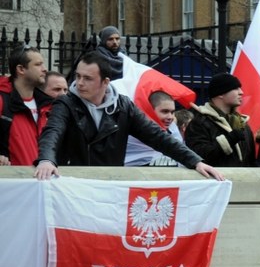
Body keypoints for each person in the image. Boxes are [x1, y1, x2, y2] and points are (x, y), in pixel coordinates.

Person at [33, 51, 223, 181]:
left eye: (88, 78)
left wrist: (195, 161)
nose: (79, 83)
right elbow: (52, 132)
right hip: (73, 184)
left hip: (110, 185)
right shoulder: (65, 103)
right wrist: (47, 160)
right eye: (78, 76)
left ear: (105, 82)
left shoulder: (123, 106)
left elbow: (157, 136)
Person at [185, 73, 256, 167]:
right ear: (220, 93)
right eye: (235, 88)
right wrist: (229, 140)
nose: (241, 92)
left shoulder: (243, 124)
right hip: (217, 180)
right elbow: (199, 158)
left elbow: (251, 161)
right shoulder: (199, 123)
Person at [0, 46, 53, 166]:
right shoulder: (2, 100)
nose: (44, 69)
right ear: (21, 69)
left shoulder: (48, 105)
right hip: (12, 181)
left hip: (42, 180)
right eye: (38, 64)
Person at [124, 91, 184, 167]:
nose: (170, 117)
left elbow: (179, 150)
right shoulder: (133, 130)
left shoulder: (172, 129)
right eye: (165, 111)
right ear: (150, 111)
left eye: (172, 112)